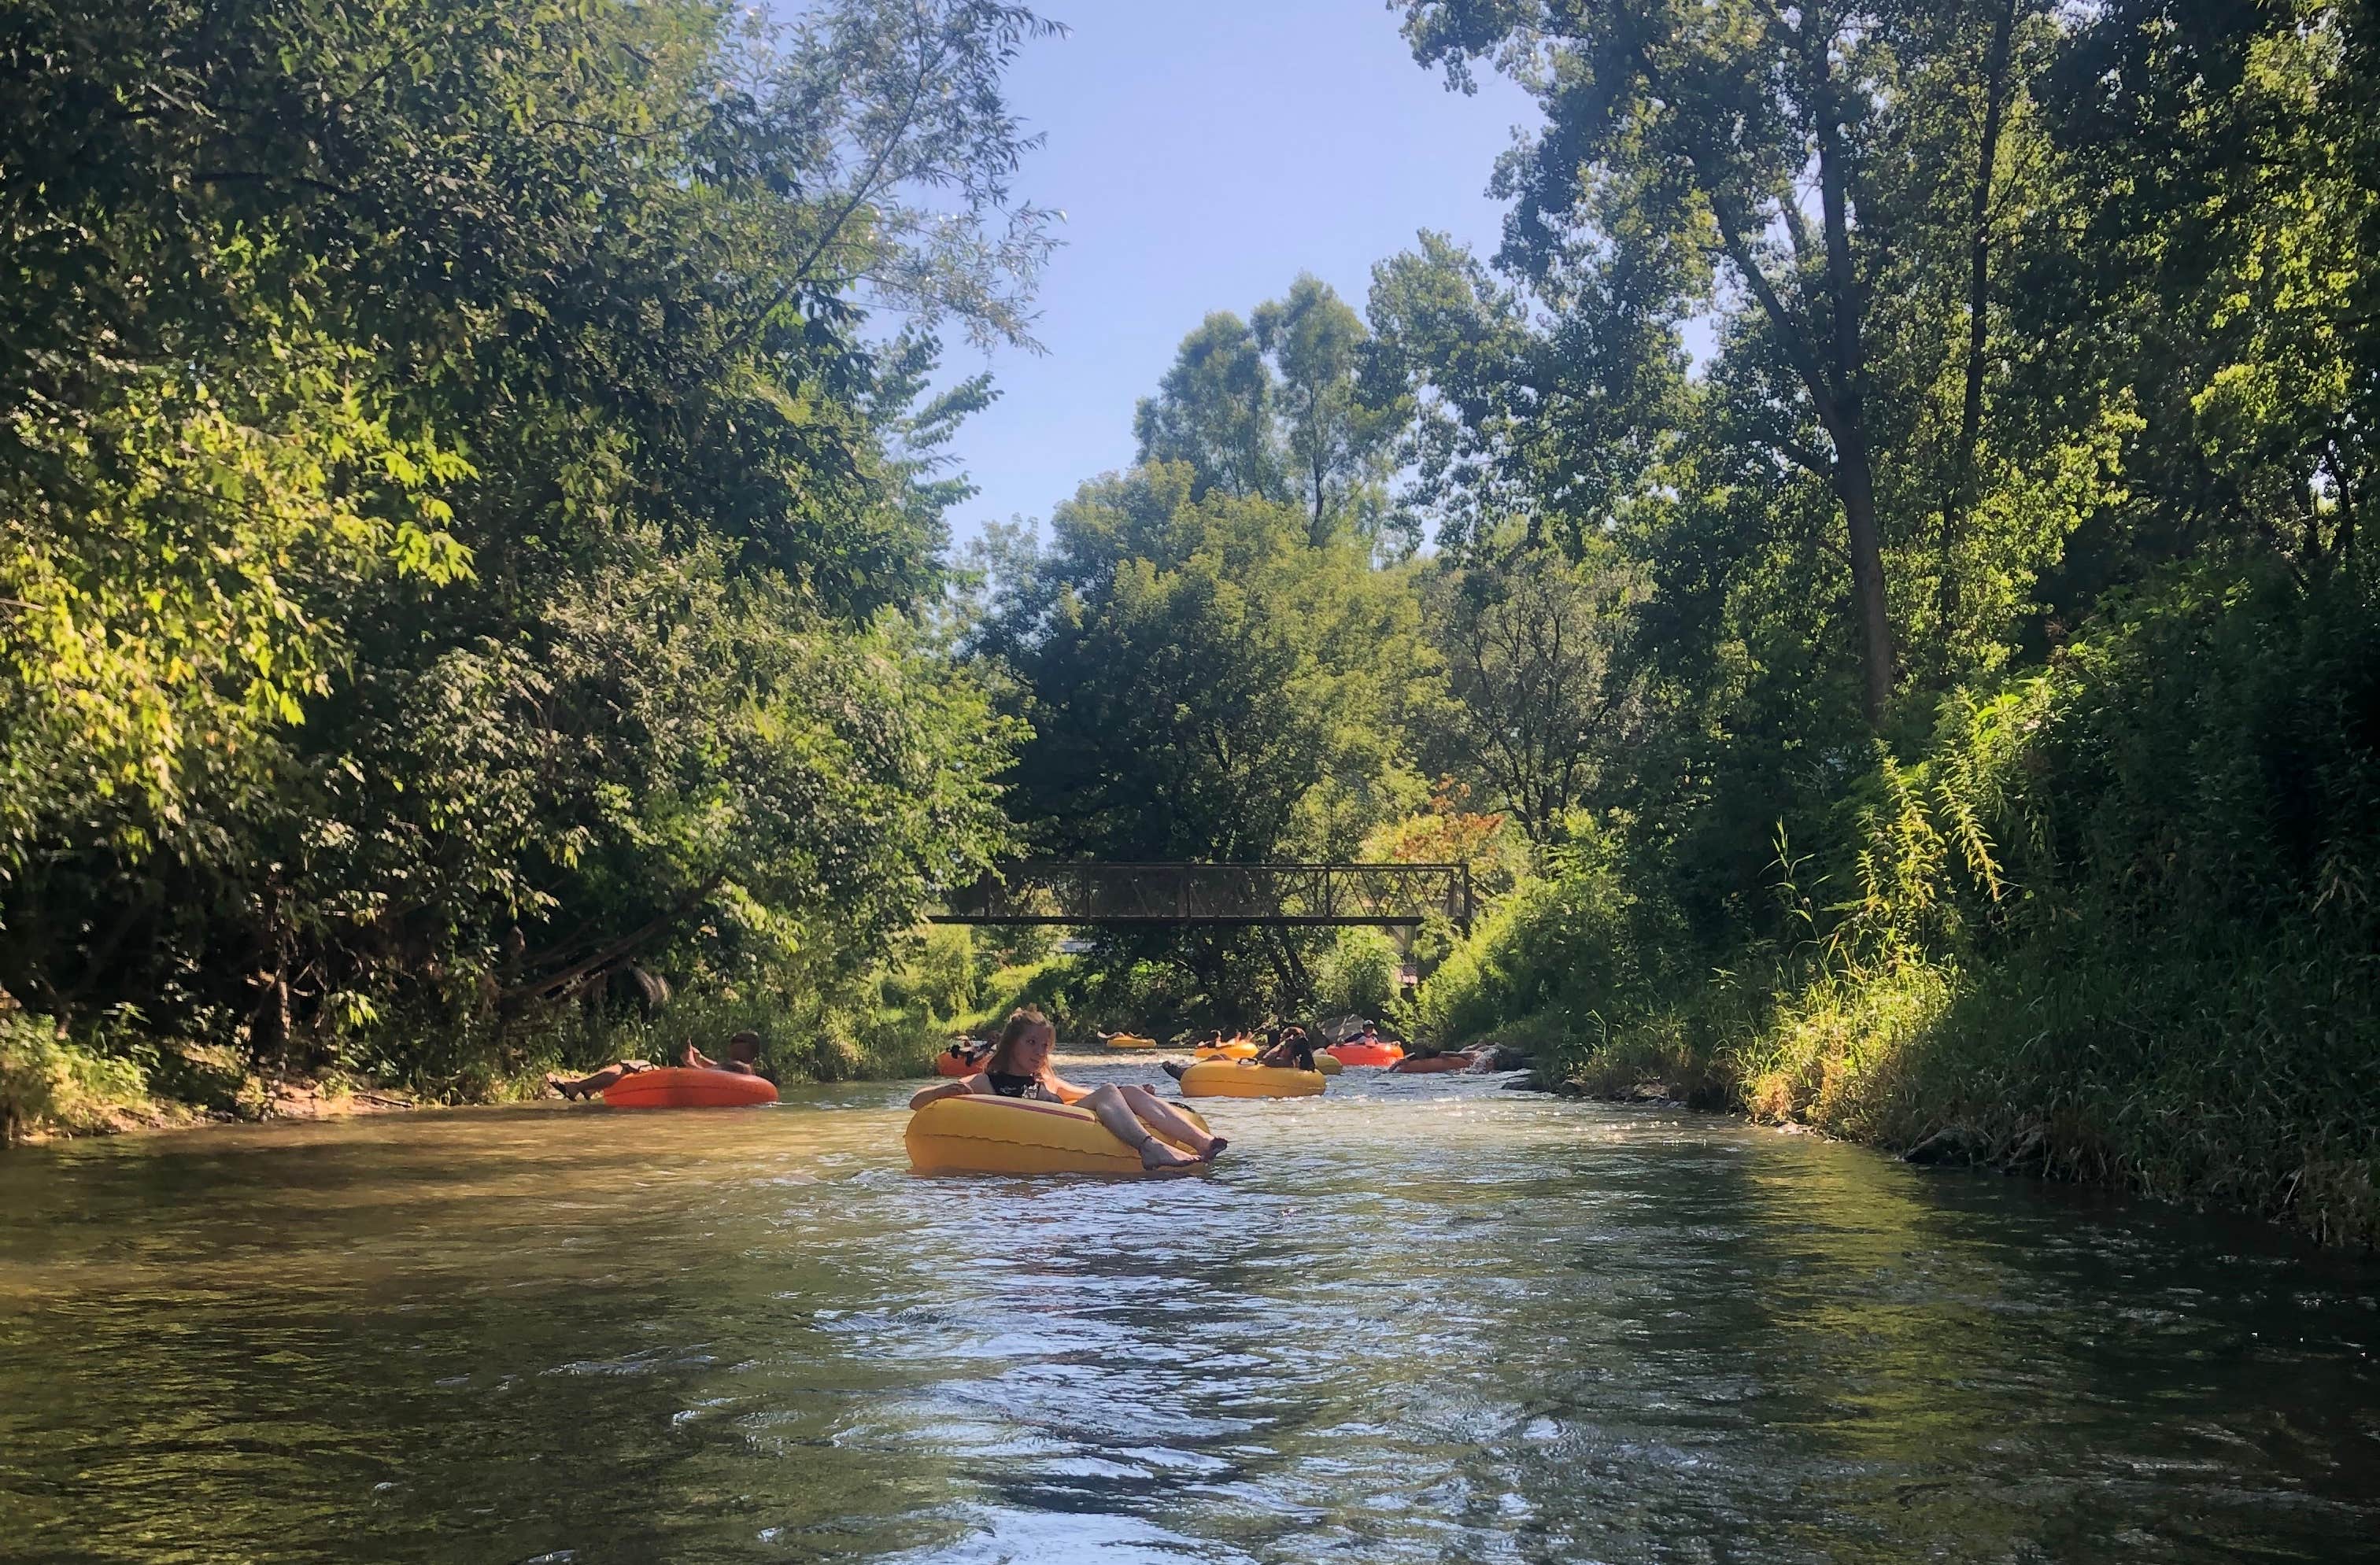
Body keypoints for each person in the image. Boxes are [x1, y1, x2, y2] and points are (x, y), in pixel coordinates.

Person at [910, 1008, 1227, 1171]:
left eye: (1043, 1046)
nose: (1038, 1052)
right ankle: (1148, 1147)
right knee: (1108, 1090)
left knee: (1124, 1089)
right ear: (1011, 1045)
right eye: (1030, 1043)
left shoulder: (1047, 1079)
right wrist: (944, 1092)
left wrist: (1134, 1093)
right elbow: (916, 1102)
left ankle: (1201, 1142)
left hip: (1065, 1125)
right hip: (1030, 1138)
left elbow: (1087, 1094)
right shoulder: (987, 1082)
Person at [547, 1031, 767, 1099]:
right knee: (635, 1066)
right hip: (696, 1085)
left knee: (631, 1065)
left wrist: (690, 1062)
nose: (731, 1045)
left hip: (685, 1084)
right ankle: (588, 1087)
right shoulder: (742, 1068)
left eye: (735, 1042)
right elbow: (717, 1069)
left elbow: (708, 1076)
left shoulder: (739, 1067)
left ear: (748, 1048)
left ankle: (579, 1086)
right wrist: (700, 1058)